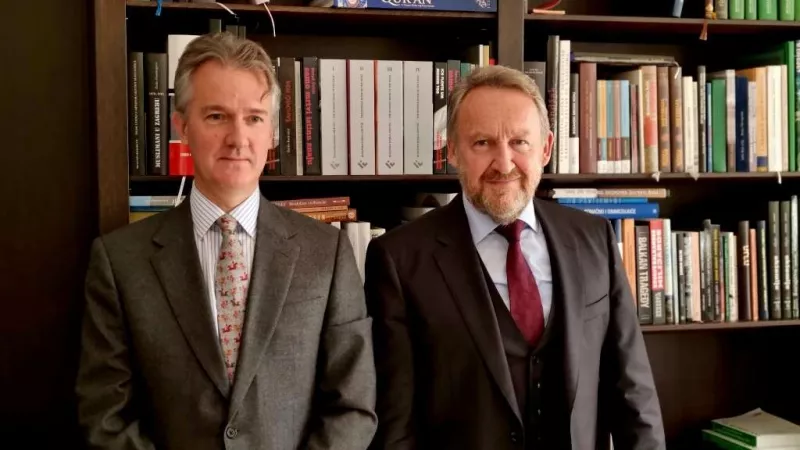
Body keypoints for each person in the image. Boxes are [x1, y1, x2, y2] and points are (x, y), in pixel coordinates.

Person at [76, 32, 377, 450]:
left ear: (272, 132)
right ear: (182, 126)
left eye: (254, 118)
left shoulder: (327, 252)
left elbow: (353, 407)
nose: (238, 138)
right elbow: (105, 415)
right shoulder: (119, 261)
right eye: (217, 116)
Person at [364, 65, 666, 450]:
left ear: (546, 148)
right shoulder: (398, 258)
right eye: (482, 143)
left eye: (520, 142)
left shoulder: (594, 238)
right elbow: (396, 427)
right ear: (453, 150)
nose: (504, 164)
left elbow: (632, 395)